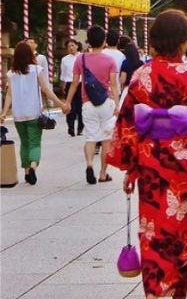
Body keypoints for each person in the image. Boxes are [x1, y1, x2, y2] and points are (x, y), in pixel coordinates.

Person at [106, 9, 187, 299]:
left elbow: (128, 125)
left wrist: (130, 167)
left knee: (153, 230)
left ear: (154, 41)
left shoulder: (140, 77)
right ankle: (181, 298)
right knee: (184, 231)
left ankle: (152, 297)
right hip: (185, 164)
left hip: (150, 163)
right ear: (184, 42)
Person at [0, 42, 69, 185]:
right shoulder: (36, 70)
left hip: (18, 115)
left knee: (24, 143)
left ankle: (26, 172)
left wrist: (4, 113)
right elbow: (46, 90)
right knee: (35, 143)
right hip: (34, 113)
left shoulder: (11, 73)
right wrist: (61, 104)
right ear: (30, 55)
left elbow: (9, 95)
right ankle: (32, 167)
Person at [66, 25, 120, 184]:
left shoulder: (80, 59)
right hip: (106, 103)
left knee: (91, 137)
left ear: (88, 41)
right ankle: (103, 173)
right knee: (106, 140)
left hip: (87, 103)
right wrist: (117, 105)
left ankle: (89, 164)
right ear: (104, 41)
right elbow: (114, 84)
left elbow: (74, 83)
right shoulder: (110, 60)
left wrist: (67, 102)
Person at [60, 39, 84, 136]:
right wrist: (63, 84)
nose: (71, 48)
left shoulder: (82, 57)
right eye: (69, 46)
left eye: (72, 45)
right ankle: (71, 127)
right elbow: (63, 73)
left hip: (81, 83)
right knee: (70, 106)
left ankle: (80, 127)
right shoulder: (65, 59)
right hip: (70, 83)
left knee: (80, 107)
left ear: (77, 46)